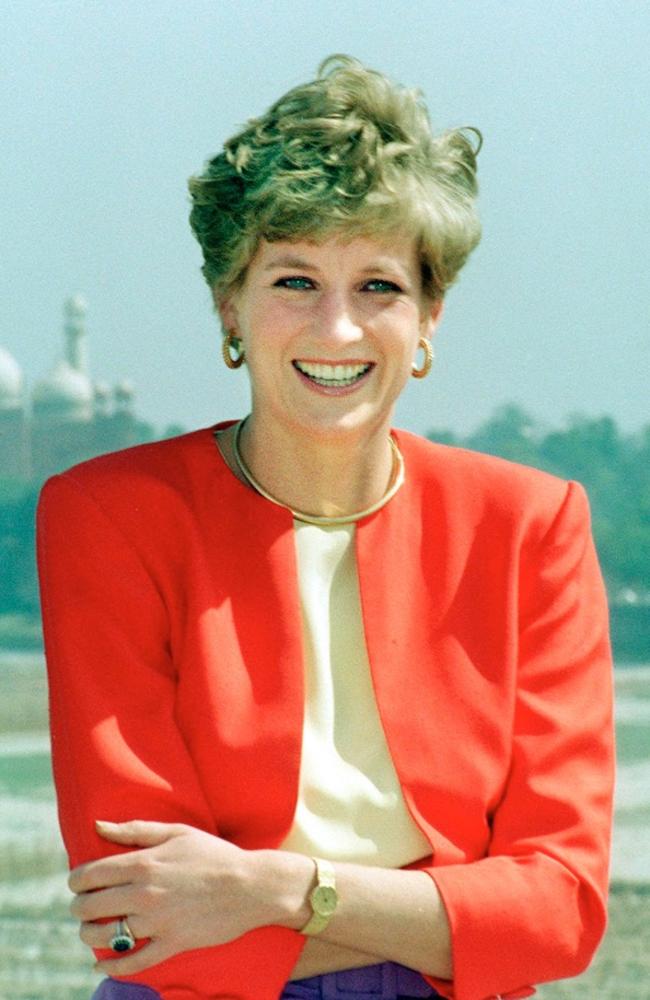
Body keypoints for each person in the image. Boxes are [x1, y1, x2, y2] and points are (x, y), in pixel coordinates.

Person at [36, 55, 614, 1000]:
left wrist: (284, 888)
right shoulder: (108, 516)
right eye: (295, 280)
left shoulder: (530, 527)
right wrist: (450, 922)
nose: (337, 329)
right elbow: (139, 922)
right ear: (231, 304)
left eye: (380, 287)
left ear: (431, 314)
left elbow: (561, 913)